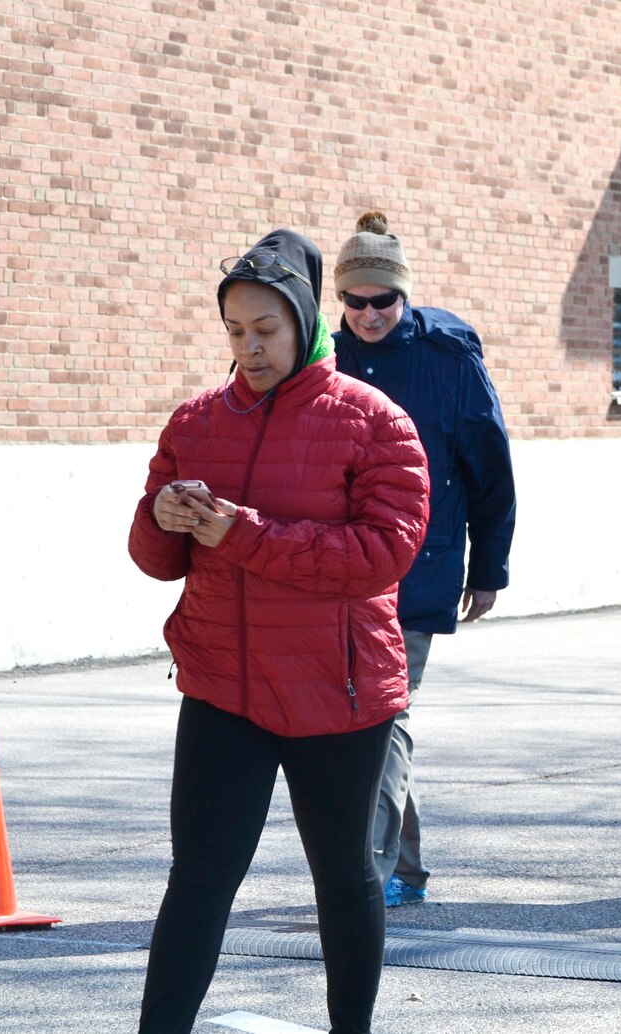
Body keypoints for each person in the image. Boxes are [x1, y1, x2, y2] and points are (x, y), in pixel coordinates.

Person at [128, 229, 429, 1033]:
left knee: (344, 876)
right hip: (223, 684)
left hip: (339, 691)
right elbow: (155, 560)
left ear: (303, 322)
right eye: (234, 332)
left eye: (265, 330)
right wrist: (160, 517)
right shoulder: (196, 420)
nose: (249, 349)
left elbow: (383, 554)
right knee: (197, 879)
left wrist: (245, 535)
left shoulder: (375, 422)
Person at [332, 211, 517, 909]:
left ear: (404, 295)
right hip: (338, 564)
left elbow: (489, 465)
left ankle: (369, 876)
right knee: (357, 714)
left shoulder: (448, 357)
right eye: (356, 301)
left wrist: (489, 566)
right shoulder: (320, 353)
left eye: (385, 300)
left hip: (421, 562)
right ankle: (405, 866)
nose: (371, 314)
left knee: (383, 711)